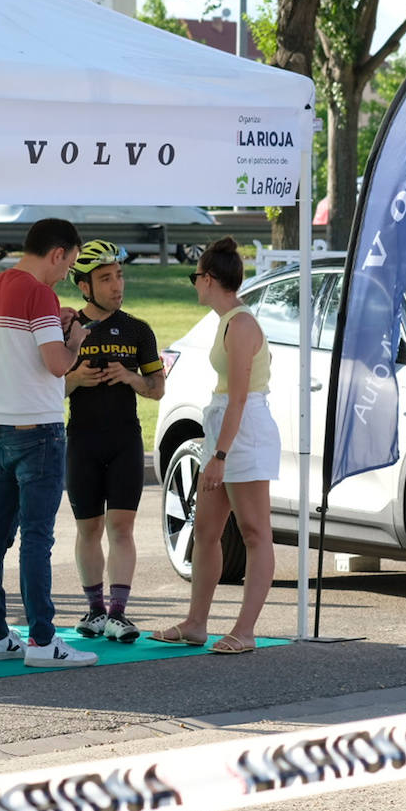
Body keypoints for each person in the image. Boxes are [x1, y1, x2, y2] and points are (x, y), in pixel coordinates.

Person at [0, 217, 97, 668]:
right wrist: (76, 339)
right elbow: (57, 365)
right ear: (56, 253)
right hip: (40, 430)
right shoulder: (40, 293)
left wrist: (55, 324)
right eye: (70, 264)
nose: (68, 275)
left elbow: (17, 349)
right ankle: (43, 641)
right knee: (36, 538)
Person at [150, 236, 280, 654]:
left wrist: (220, 456)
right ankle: (196, 623)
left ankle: (245, 630)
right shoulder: (226, 321)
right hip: (226, 425)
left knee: (255, 532)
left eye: (195, 277)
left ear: (208, 279)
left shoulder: (241, 324)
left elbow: (241, 395)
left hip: (245, 431)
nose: (194, 285)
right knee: (205, 530)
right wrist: (216, 451)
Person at [62, 239, 165, 644]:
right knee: (88, 528)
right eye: (105, 278)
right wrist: (76, 379)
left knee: (122, 527)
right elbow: (45, 391)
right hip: (82, 440)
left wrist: (131, 378)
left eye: (119, 275)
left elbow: (157, 388)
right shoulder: (67, 329)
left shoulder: (138, 329)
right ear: (84, 286)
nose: (116, 285)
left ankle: (119, 614)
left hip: (125, 439)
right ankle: (93, 610)